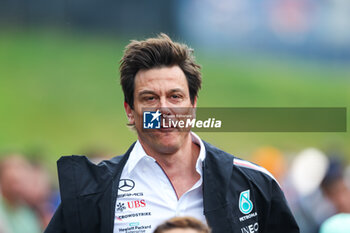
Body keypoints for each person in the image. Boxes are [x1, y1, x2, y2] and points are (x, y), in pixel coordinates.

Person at [45, 33, 299, 233]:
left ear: (193, 105)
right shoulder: (92, 195)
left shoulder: (253, 183)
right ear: (130, 111)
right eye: (150, 98)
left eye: (175, 97)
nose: (164, 109)